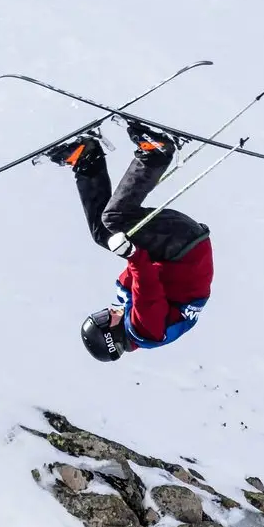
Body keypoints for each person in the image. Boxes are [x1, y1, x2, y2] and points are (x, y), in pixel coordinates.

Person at [46, 122, 213, 362]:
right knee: (114, 218)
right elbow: (147, 288)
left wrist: (127, 249)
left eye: (99, 314)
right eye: (103, 320)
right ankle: (156, 153)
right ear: (111, 336)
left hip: (178, 248)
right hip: (182, 249)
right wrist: (132, 254)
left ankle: (86, 159)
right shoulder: (145, 330)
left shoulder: (135, 322)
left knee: (102, 232)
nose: (107, 311)